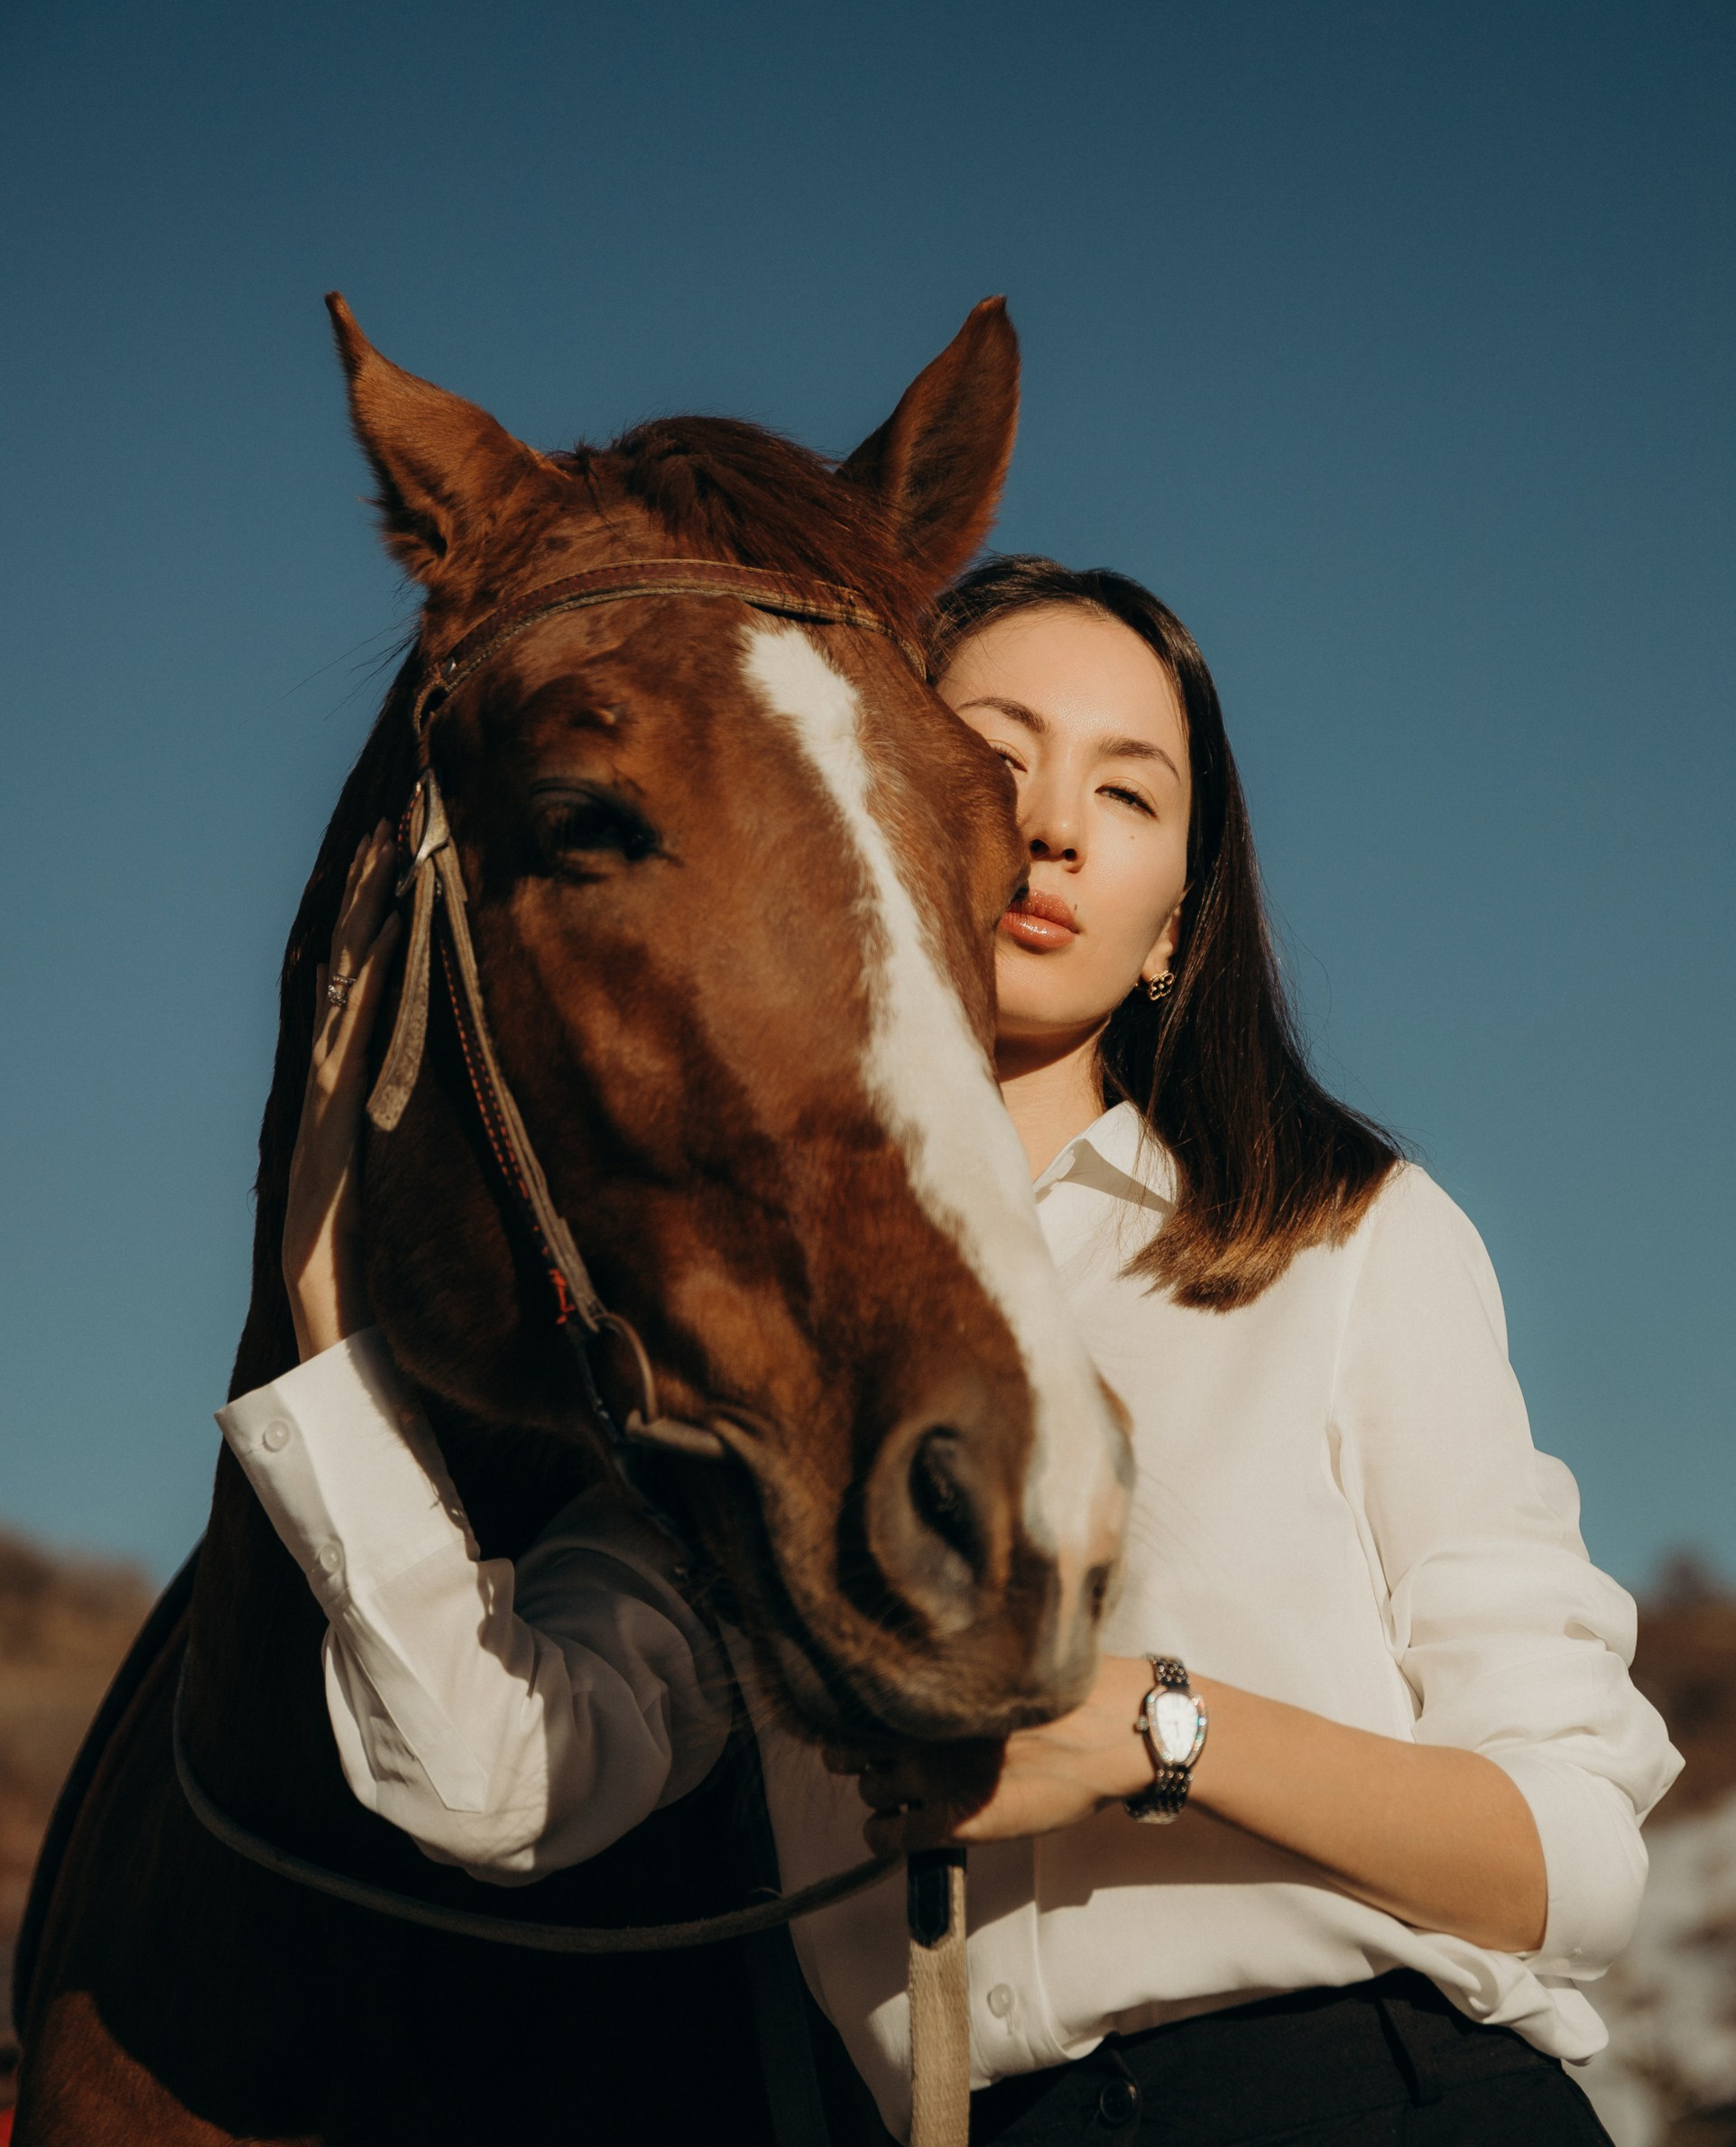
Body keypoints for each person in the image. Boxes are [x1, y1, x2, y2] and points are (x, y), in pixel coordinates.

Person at [221, 554, 1677, 2145]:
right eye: (997, 760)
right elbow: (491, 1783)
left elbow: (1575, 1854)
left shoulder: (1345, 1238)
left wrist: (1146, 1732)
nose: (1051, 826)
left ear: (1176, 918)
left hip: (1381, 2098)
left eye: (1129, 795)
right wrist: (328, 1347)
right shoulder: (764, 1344)